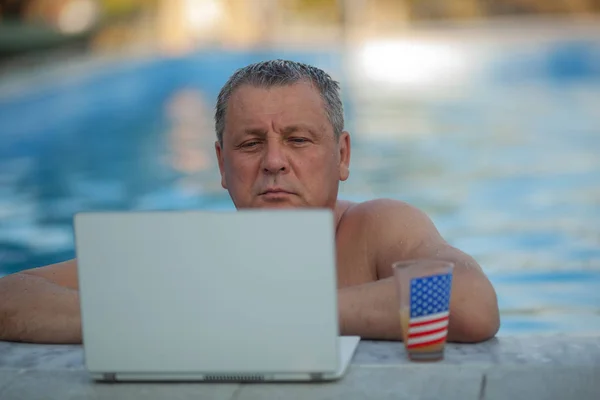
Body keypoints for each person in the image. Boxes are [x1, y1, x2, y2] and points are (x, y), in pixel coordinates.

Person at [0, 59, 500, 344]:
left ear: (342, 156)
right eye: (250, 143)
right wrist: (142, 318)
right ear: (221, 165)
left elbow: (469, 301)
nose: (274, 162)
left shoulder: (376, 230)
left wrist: (261, 310)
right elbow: (11, 297)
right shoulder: (190, 253)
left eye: (299, 140)